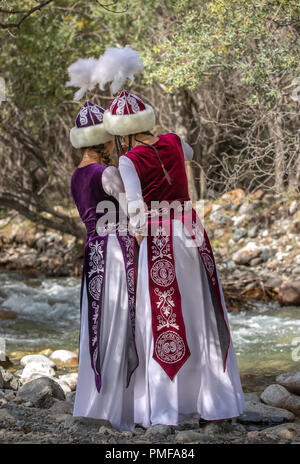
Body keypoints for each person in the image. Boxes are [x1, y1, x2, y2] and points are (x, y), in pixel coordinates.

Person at [103, 89, 245, 428]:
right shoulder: (174, 141)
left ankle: (165, 409)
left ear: (122, 131)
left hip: (160, 241)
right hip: (192, 234)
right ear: (148, 120)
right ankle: (214, 403)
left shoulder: (129, 159)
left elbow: (136, 212)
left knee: (162, 318)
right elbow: (188, 152)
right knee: (200, 314)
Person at [69, 101, 138, 431]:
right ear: (103, 140)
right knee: (117, 321)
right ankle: (118, 407)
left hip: (92, 250)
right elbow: (130, 213)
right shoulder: (107, 173)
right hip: (114, 249)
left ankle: (92, 401)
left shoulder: (75, 176)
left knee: (97, 322)